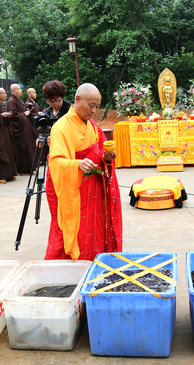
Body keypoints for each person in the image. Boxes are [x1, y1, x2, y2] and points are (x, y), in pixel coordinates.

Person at [44, 83, 123, 261]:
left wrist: (107, 158)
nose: (94, 111)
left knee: (94, 228)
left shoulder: (92, 126)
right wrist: (77, 164)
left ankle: (94, 262)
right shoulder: (62, 127)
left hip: (93, 190)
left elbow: (101, 151)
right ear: (77, 100)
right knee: (72, 230)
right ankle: (67, 271)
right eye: (91, 105)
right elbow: (55, 162)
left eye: (97, 106)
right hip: (74, 190)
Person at [7, 84, 40, 175]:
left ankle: (30, 167)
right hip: (19, 129)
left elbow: (24, 112)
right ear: (13, 92)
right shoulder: (11, 101)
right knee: (22, 148)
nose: (21, 90)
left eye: (20, 89)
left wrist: (28, 111)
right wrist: (24, 114)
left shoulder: (20, 100)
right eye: (18, 89)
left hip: (26, 127)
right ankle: (22, 169)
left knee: (29, 147)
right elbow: (13, 115)